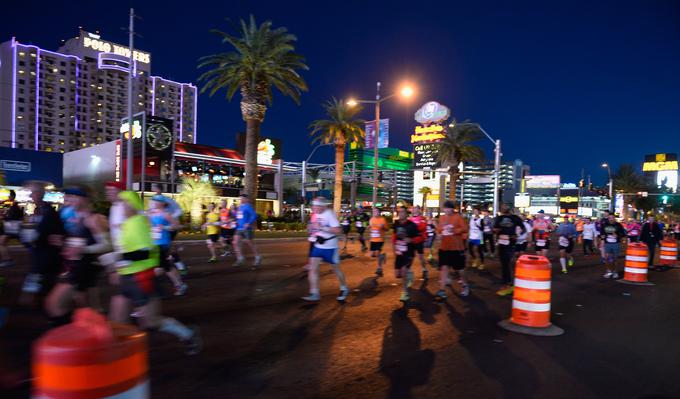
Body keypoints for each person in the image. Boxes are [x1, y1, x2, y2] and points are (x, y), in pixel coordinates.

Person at [106, 191, 201, 355]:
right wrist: (116, 266)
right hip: (127, 277)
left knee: (151, 322)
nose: (121, 206)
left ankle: (188, 334)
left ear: (132, 204)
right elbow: (127, 249)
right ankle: (118, 359)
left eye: (124, 203)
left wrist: (116, 258)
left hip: (143, 278)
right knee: (117, 320)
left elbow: (145, 252)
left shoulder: (139, 223)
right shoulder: (129, 223)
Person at [46, 187, 111, 325]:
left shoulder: (94, 219)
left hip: (83, 267)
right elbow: (73, 238)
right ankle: (92, 334)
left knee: (55, 304)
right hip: (69, 265)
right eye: (67, 196)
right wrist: (61, 241)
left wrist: (83, 249)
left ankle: (65, 336)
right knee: (84, 306)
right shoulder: (68, 216)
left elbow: (107, 245)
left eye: (73, 196)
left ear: (86, 198)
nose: (68, 199)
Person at [19, 182, 64, 304]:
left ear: (39, 194)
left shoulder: (48, 211)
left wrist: (30, 239)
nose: (31, 196)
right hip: (42, 251)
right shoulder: (40, 210)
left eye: (33, 193)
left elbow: (46, 232)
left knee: (40, 277)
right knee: (41, 278)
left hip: (47, 253)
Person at [302, 197, 348, 302]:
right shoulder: (315, 214)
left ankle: (344, 288)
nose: (314, 208)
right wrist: (311, 228)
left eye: (317, 206)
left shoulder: (330, 214)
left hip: (330, 247)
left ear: (323, 206)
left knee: (336, 270)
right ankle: (315, 293)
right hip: (318, 245)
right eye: (313, 206)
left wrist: (322, 228)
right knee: (313, 268)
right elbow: (313, 226)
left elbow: (338, 230)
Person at [149, 196, 187, 295]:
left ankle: (179, 285)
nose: (154, 203)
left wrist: (165, 227)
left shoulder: (166, 214)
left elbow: (176, 225)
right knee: (162, 266)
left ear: (162, 203)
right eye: (154, 201)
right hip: (154, 242)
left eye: (156, 201)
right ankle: (180, 284)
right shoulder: (151, 213)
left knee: (164, 266)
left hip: (163, 242)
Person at [436, 201, 470, 299]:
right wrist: (438, 234)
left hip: (456, 247)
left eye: (448, 208)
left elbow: (465, 228)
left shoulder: (458, 217)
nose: (446, 210)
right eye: (445, 208)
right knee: (444, 267)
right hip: (444, 247)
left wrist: (454, 231)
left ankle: (465, 285)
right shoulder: (442, 217)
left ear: (452, 209)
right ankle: (442, 290)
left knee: (460, 269)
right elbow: (439, 229)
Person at [151, 185, 187, 276]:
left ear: (159, 189)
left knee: (168, 249)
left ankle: (178, 267)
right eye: (153, 188)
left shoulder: (169, 200)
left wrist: (169, 219)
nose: (153, 189)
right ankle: (173, 265)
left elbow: (179, 211)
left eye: (154, 188)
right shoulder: (153, 200)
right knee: (165, 250)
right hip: (157, 230)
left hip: (168, 228)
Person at [494, 204, 526, 296]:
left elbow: (523, 228)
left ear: (509, 208)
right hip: (501, 242)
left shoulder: (515, 218)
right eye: (502, 207)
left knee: (507, 262)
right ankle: (507, 284)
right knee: (503, 263)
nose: (503, 208)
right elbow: (495, 228)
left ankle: (508, 284)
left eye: (505, 206)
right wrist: (496, 231)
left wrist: (516, 235)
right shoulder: (499, 218)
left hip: (510, 243)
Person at [392, 206, 420, 302]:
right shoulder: (396, 224)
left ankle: (405, 292)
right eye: (399, 212)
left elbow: (420, 238)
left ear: (406, 214)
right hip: (399, 252)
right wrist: (394, 248)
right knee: (397, 274)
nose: (400, 214)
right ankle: (409, 274)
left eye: (402, 212)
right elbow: (394, 237)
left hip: (409, 252)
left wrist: (411, 239)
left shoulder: (412, 225)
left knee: (404, 271)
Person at [233, 194, 261, 267]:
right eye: (240, 198)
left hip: (247, 229)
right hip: (239, 228)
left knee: (249, 242)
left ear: (246, 199)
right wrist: (236, 221)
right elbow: (239, 217)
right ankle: (240, 258)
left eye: (242, 198)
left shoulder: (248, 206)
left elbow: (254, 215)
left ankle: (258, 257)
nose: (241, 200)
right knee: (235, 243)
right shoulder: (239, 207)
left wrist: (248, 223)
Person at [0, 190, 24, 267]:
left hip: (11, 229)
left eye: (9, 196)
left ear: (12, 196)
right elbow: (19, 217)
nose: (8, 197)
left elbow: (12, 218)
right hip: (13, 229)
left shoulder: (14, 206)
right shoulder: (15, 206)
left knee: (1, 244)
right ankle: (7, 259)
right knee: (2, 243)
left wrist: (4, 217)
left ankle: (7, 260)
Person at [600, 212, 626, 279]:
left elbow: (623, 234)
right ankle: (608, 271)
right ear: (608, 218)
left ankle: (615, 272)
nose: (611, 219)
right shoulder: (605, 225)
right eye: (610, 218)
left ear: (614, 218)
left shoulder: (618, 225)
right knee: (607, 258)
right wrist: (602, 240)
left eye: (612, 218)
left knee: (615, 258)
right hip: (607, 243)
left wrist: (617, 236)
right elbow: (602, 233)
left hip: (616, 244)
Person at [409, 205, 430, 278]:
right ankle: (408, 271)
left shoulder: (422, 218)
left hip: (419, 240)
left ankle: (424, 270)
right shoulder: (410, 219)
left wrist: (414, 229)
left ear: (419, 210)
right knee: (410, 256)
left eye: (416, 209)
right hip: (412, 241)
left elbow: (423, 227)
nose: (414, 210)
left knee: (421, 257)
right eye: (414, 209)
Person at [369, 207, 389, 277]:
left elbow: (387, 229)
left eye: (376, 211)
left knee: (377, 253)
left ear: (379, 212)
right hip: (373, 239)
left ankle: (379, 268)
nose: (374, 212)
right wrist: (369, 228)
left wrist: (383, 227)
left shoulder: (383, 220)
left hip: (380, 239)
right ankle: (383, 256)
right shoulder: (371, 219)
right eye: (374, 211)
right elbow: (371, 228)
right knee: (372, 255)